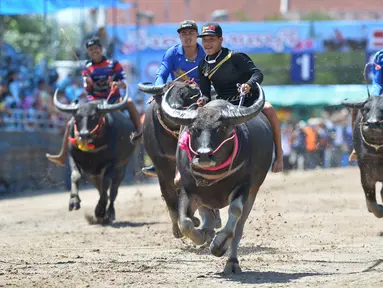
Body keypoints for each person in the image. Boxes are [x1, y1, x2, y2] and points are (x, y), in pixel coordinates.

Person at [196, 22, 284, 173]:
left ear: (220, 40)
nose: (207, 43)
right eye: (204, 40)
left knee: (269, 109)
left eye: (211, 39)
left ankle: (279, 155)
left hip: (248, 100)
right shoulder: (202, 65)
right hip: (224, 104)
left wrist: (249, 84)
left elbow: (257, 74)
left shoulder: (235, 56)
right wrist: (203, 99)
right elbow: (205, 92)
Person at [46, 36, 142, 166]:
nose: (94, 51)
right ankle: (62, 155)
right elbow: (87, 89)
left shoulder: (113, 64)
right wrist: (88, 84)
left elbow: (124, 82)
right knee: (71, 123)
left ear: (101, 49)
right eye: (91, 49)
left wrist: (117, 84)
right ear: (88, 52)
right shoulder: (87, 67)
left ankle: (141, 134)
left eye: (96, 48)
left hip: (112, 99)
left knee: (129, 102)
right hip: (94, 102)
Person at [142, 20, 206, 176]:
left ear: (197, 35)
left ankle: (208, 154)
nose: (188, 37)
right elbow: (161, 74)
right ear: (179, 36)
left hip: (199, 96)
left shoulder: (205, 54)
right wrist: (159, 90)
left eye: (191, 33)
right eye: (184, 34)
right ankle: (155, 159)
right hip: (175, 95)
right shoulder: (172, 53)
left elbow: (212, 77)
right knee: (151, 111)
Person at [349, 49, 383, 161]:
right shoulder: (381, 56)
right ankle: (356, 146)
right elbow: (378, 82)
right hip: (379, 89)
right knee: (357, 109)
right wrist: (374, 98)